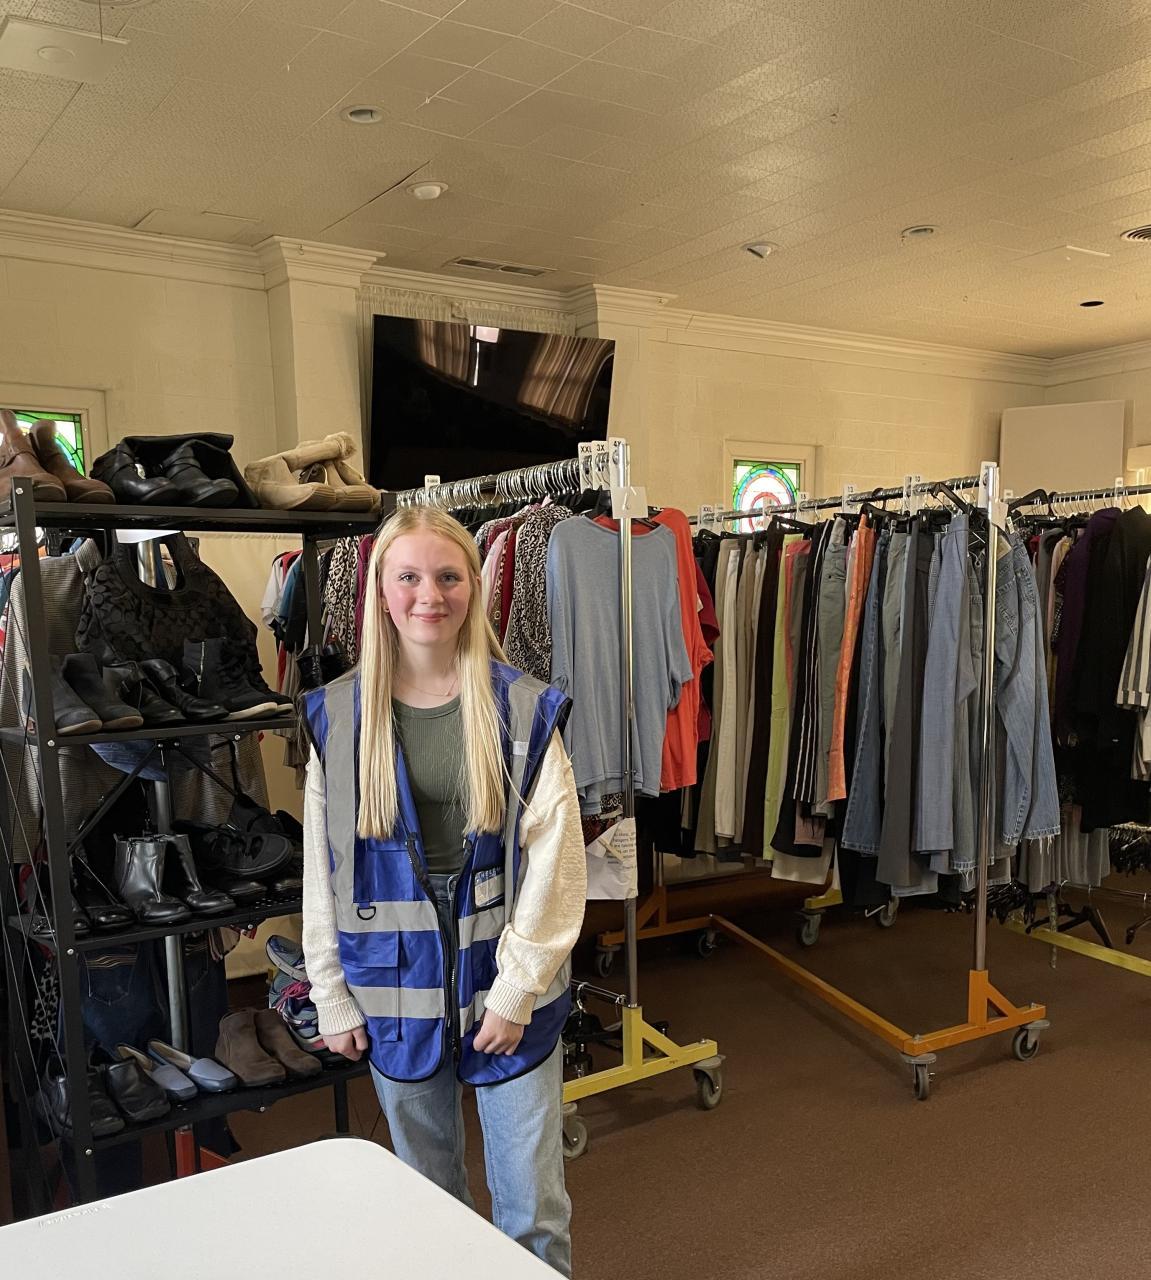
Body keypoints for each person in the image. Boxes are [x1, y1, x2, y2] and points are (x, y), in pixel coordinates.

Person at [301, 506, 586, 1275]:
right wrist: (330, 992)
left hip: (506, 972)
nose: (429, 594)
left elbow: (557, 861)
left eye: (448, 576)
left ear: (473, 588)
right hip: (392, 979)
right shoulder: (336, 715)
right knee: (426, 1204)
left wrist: (517, 990)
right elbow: (323, 868)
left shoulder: (523, 707)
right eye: (409, 577)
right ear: (381, 592)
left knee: (533, 1209)